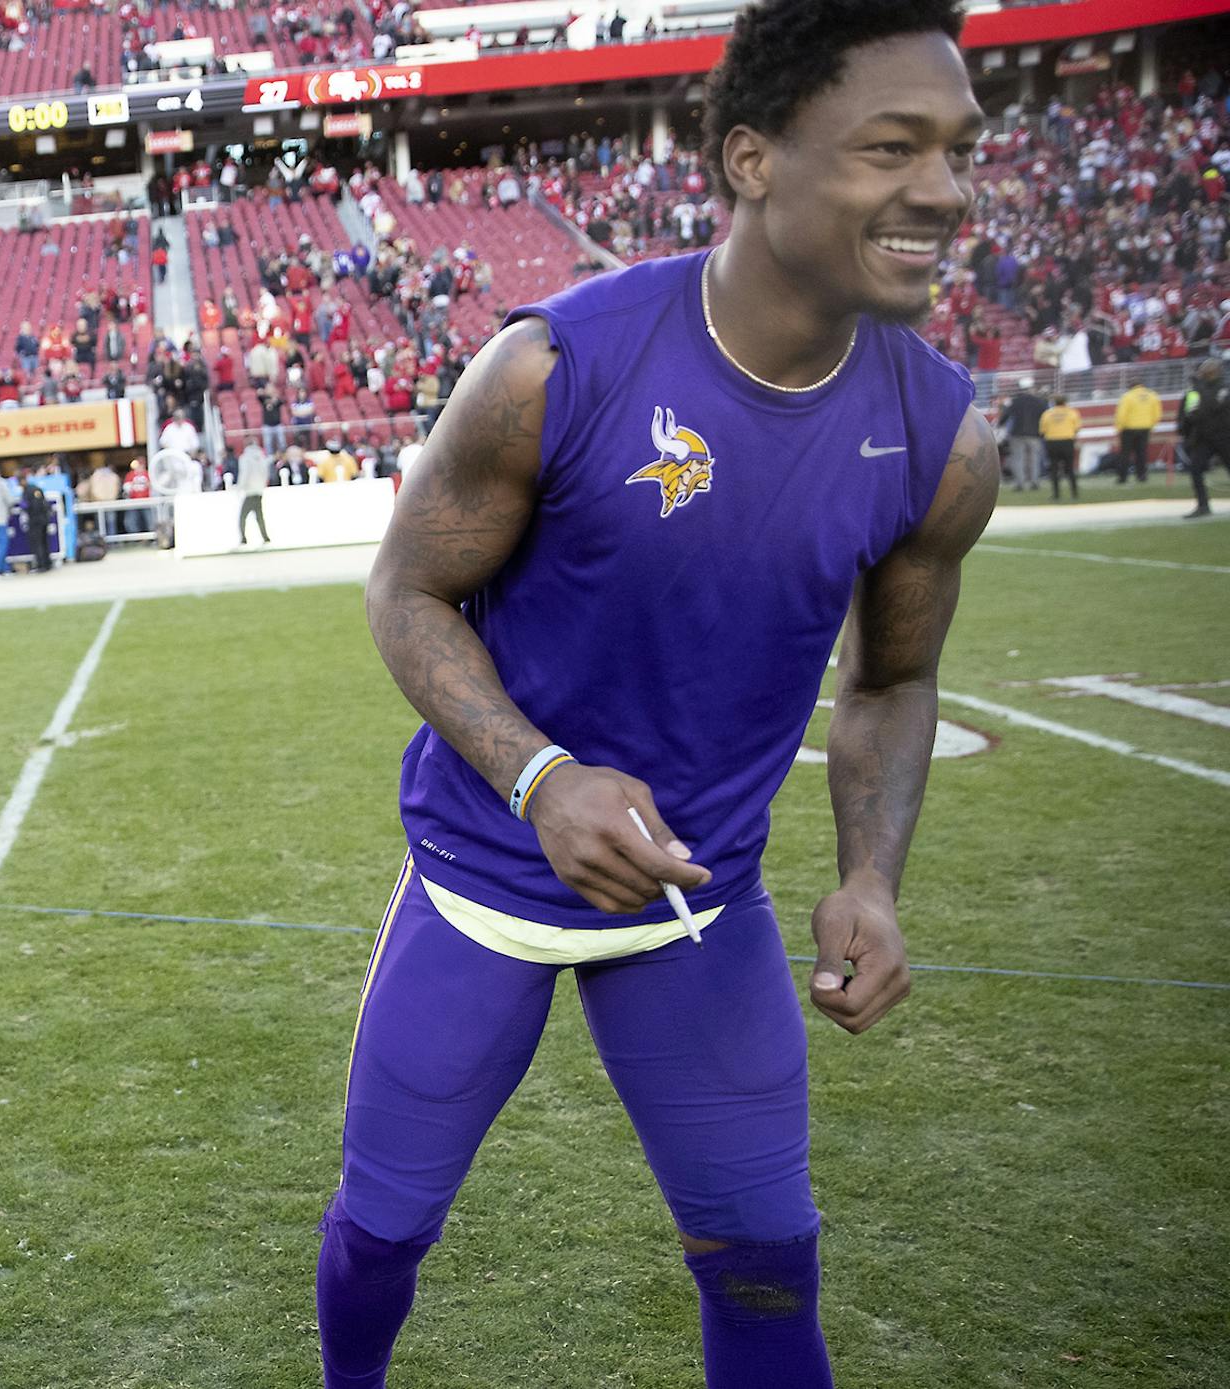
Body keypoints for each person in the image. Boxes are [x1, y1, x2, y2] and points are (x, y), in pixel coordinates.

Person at [320, 5, 998, 1387]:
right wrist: (539, 776)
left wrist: (872, 875)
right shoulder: (553, 367)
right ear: (752, 157)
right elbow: (405, 592)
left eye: (956, 151)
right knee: (382, 1234)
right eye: (890, 147)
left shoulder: (944, 435)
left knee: (766, 1264)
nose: (943, 190)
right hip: (479, 885)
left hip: (701, 906)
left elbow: (895, 676)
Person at [1178, 357, 1229, 518]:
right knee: (1195, 469)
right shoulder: (1195, 390)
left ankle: (1203, 505)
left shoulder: (1223, 389)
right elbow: (1188, 414)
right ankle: (1203, 504)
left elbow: (1208, 406)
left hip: (1224, 436)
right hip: (1204, 437)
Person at [1003, 376, 1047, 490]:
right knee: (1035, 459)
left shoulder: (1015, 401)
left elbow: (1005, 416)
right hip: (1034, 434)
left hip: (1017, 434)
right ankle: (1034, 482)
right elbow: (1045, 416)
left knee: (1018, 459)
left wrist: (1000, 425)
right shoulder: (1039, 401)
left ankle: (1020, 483)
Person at [1113, 382, 1161, 484]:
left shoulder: (1127, 396)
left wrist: (1119, 428)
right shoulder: (1152, 395)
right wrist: (1151, 425)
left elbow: (1122, 414)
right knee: (1142, 453)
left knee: (1125, 454)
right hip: (1145, 428)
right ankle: (1142, 476)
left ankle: (1123, 477)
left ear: (1131, 386)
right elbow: (1157, 413)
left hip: (1129, 429)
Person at [1040, 395, 1081, 500]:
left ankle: (1056, 494)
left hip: (1052, 442)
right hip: (1067, 441)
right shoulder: (1072, 412)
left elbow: (1042, 431)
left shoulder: (1047, 414)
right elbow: (1077, 428)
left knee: (1054, 469)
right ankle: (1074, 493)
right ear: (1065, 402)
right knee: (1070, 468)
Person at [236, 440, 271, 546]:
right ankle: (265, 537)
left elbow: (245, 474)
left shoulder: (245, 458)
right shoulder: (261, 457)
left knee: (242, 517)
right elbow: (266, 473)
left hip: (250, 491)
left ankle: (243, 539)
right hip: (259, 490)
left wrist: (240, 487)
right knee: (259, 516)